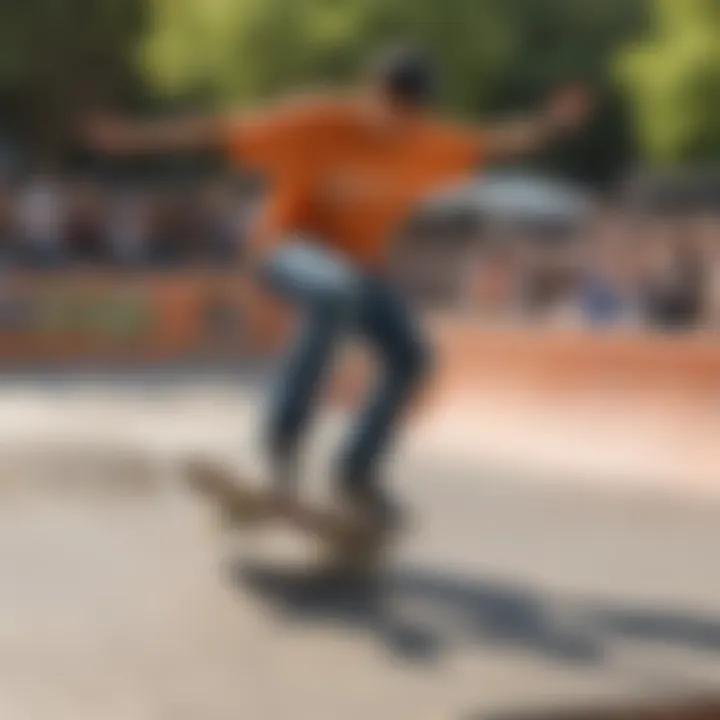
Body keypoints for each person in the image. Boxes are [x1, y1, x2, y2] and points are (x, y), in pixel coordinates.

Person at [84, 44, 591, 527]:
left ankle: (356, 474)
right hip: (285, 251)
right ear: (368, 91)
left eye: (406, 116)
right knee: (335, 291)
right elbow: (217, 133)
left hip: (362, 271)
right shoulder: (317, 122)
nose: (394, 124)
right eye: (387, 109)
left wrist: (551, 124)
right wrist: (132, 137)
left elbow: (495, 142)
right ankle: (279, 450)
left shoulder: (427, 143)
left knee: (413, 359)